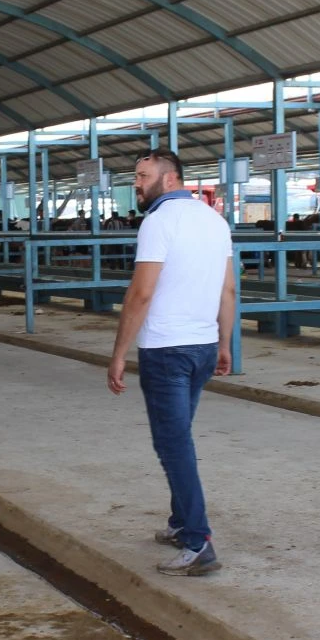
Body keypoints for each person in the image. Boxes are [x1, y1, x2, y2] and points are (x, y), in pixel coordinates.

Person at [107, 148, 236, 576]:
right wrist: (224, 342)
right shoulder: (215, 221)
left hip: (166, 350)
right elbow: (228, 291)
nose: (137, 184)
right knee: (178, 439)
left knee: (173, 445)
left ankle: (199, 541)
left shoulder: (159, 221)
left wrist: (119, 352)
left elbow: (140, 293)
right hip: (200, 347)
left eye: (143, 176)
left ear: (169, 178)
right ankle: (181, 523)